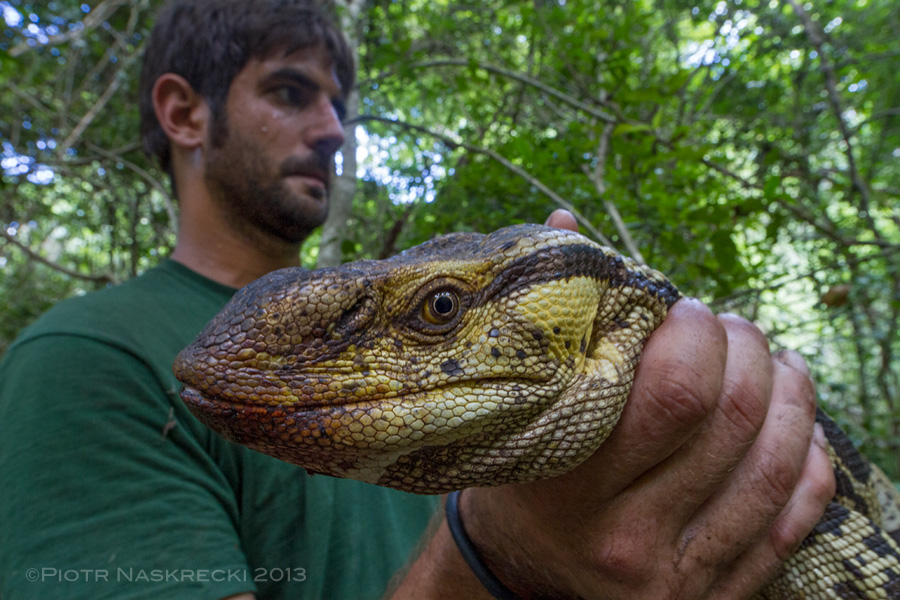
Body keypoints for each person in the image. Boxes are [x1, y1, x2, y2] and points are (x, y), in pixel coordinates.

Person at [0, 1, 835, 598]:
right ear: (184, 112)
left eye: (338, 104)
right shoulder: (84, 360)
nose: (331, 128)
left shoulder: (480, 417)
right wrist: (493, 563)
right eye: (291, 92)